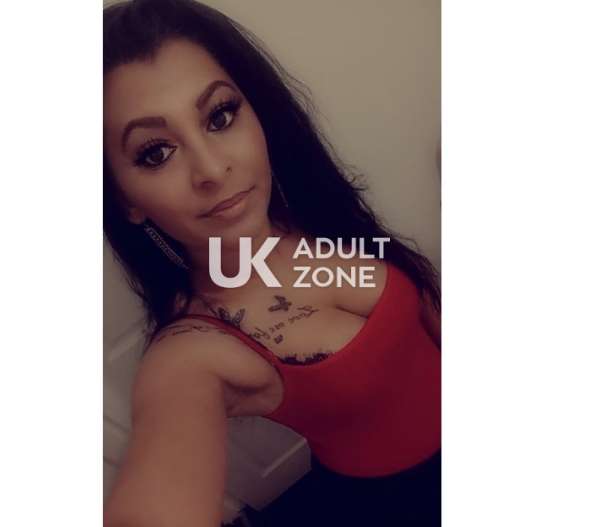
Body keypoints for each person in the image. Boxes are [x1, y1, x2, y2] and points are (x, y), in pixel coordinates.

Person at [103, 0, 441, 525]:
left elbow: (421, 312)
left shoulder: (303, 211)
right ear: (125, 199)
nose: (212, 169)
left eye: (220, 116)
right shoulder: (192, 353)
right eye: (155, 153)